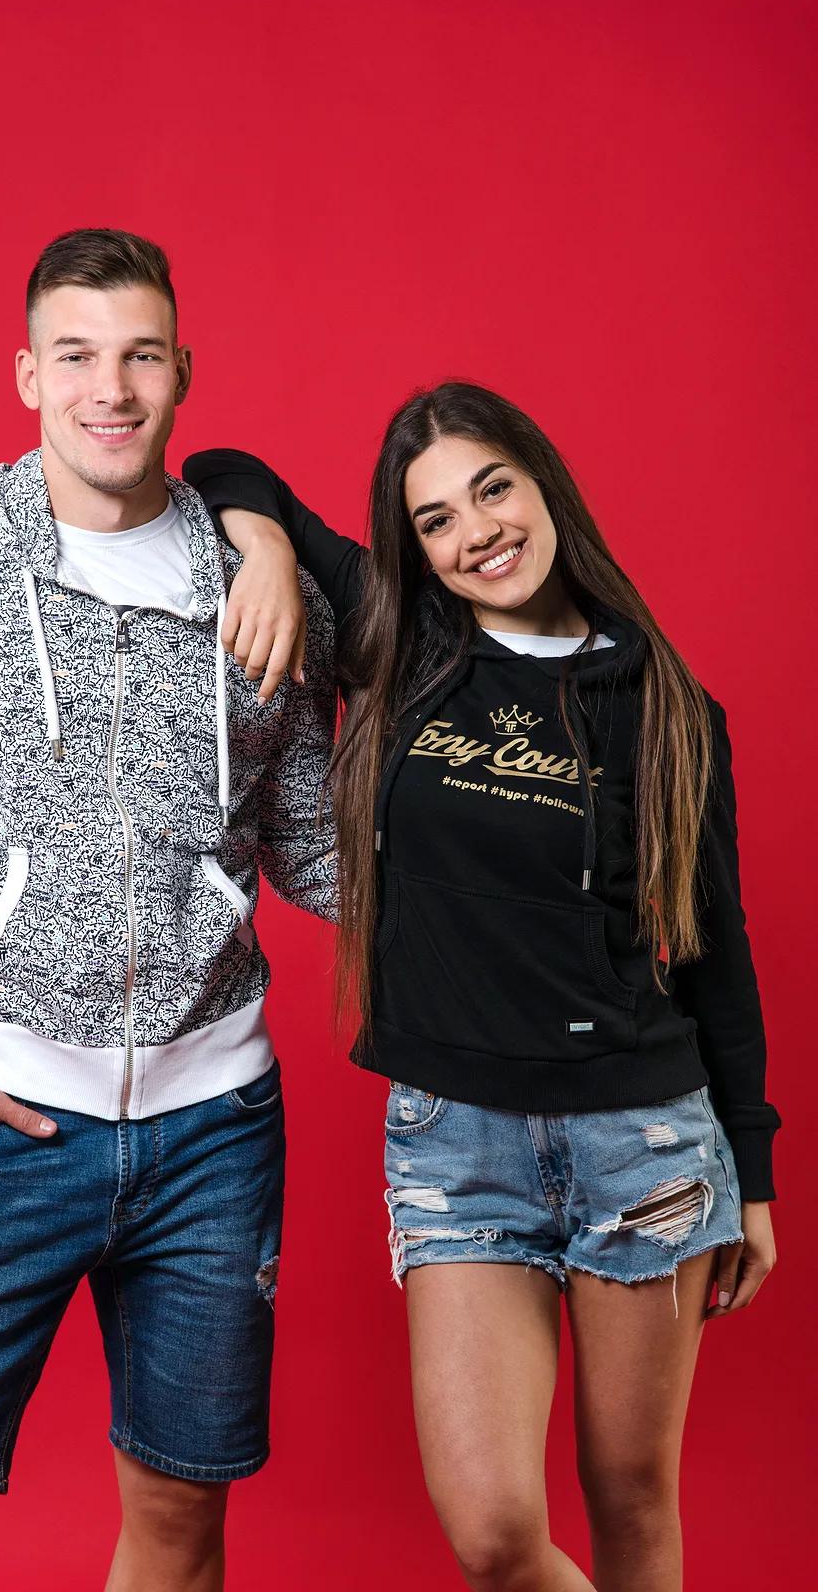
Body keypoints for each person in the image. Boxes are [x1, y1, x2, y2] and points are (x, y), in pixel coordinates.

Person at [0, 227, 336, 1592]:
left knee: (180, 1525)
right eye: (78, 356)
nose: (112, 388)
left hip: (216, 1134)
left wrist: (511, 885)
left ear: (183, 373)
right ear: (28, 376)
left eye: (141, 356)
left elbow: (310, 845)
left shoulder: (258, 592)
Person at [183, 383, 779, 1592]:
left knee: (632, 1500)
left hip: (645, 1144)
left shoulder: (669, 706)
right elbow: (224, 465)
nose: (477, 533)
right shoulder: (406, 641)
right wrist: (265, 551)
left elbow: (716, 952)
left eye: (493, 489)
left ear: (543, 481)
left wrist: (755, 1178)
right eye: (437, 519)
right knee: (496, 1533)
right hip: (457, 1145)